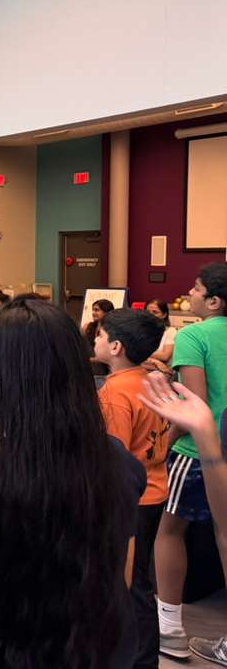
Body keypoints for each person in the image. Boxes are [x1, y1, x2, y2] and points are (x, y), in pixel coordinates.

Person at [0, 296, 146, 668]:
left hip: (5, 651)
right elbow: (121, 569)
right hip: (102, 648)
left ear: (2, 377)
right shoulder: (119, 460)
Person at [155, 262, 227, 660]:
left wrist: (162, 446)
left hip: (198, 452)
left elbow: (193, 406)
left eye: (197, 289)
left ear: (214, 301)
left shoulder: (192, 335)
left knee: (169, 532)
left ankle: (170, 631)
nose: (190, 294)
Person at [94, 307, 170, 668]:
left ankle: (140, 658)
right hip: (155, 488)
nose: (95, 340)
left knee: (131, 582)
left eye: (99, 335)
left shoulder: (114, 393)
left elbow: (116, 455)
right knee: (140, 578)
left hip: (131, 498)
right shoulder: (151, 381)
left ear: (116, 347)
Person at [140, 372, 227, 664]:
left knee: (169, 530)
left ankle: (170, 629)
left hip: (189, 455)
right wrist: (204, 433)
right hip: (204, 451)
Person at [144, 299, 176, 370]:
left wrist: (141, 352)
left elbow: (165, 356)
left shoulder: (170, 331)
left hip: (163, 371)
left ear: (164, 315)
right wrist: (154, 360)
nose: (150, 315)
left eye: (155, 312)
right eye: (147, 312)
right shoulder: (141, 330)